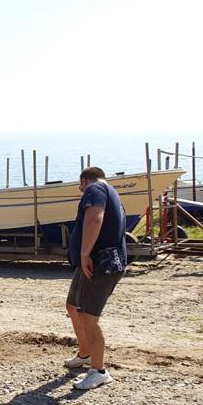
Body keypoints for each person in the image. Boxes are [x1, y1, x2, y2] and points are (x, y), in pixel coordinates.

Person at [64, 167, 127, 391]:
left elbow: (94, 219)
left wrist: (84, 254)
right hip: (94, 263)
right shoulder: (112, 192)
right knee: (72, 306)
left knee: (88, 316)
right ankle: (85, 353)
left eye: (80, 187)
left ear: (84, 180)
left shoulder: (95, 189)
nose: (81, 191)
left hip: (97, 263)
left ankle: (99, 371)